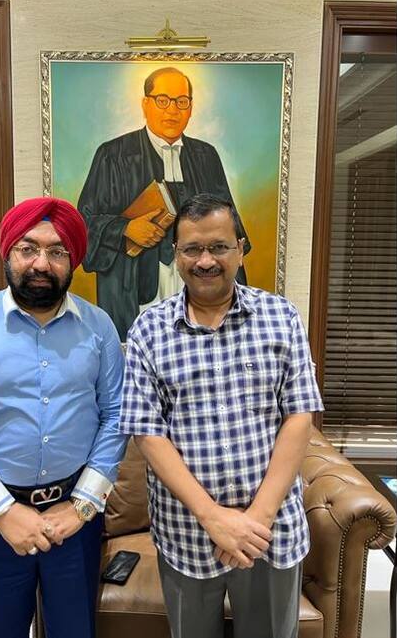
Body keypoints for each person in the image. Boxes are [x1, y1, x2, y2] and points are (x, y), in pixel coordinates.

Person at [119, 193, 324, 638]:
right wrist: (212, 517)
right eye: (192, 249)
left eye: (218, 247)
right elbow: (148, 434)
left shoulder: (281, 316)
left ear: (240, 249)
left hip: (271, 532)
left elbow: (299, 416)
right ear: (176, 254)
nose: (205, 261)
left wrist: (258, 519)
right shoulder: (148, 330)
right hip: (187, 531)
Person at [0, 197, 127, 638]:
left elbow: (116, 416)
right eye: (28, 248)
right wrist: (3, 512)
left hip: (73, 518)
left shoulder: (99, 327)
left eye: (57, 251)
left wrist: (82, 506)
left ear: (73, 260)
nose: (41, 263)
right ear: (8, 252)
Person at [78, 66, 251, 341]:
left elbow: (232, 227)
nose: (172, 110)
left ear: (190, 108)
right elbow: (83, 224)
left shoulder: (206, 155)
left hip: (196, 283)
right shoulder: (113, 155)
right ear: (145, 104)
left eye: (181, 102)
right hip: (136, 286)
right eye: (163, 100)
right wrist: (125, 229)